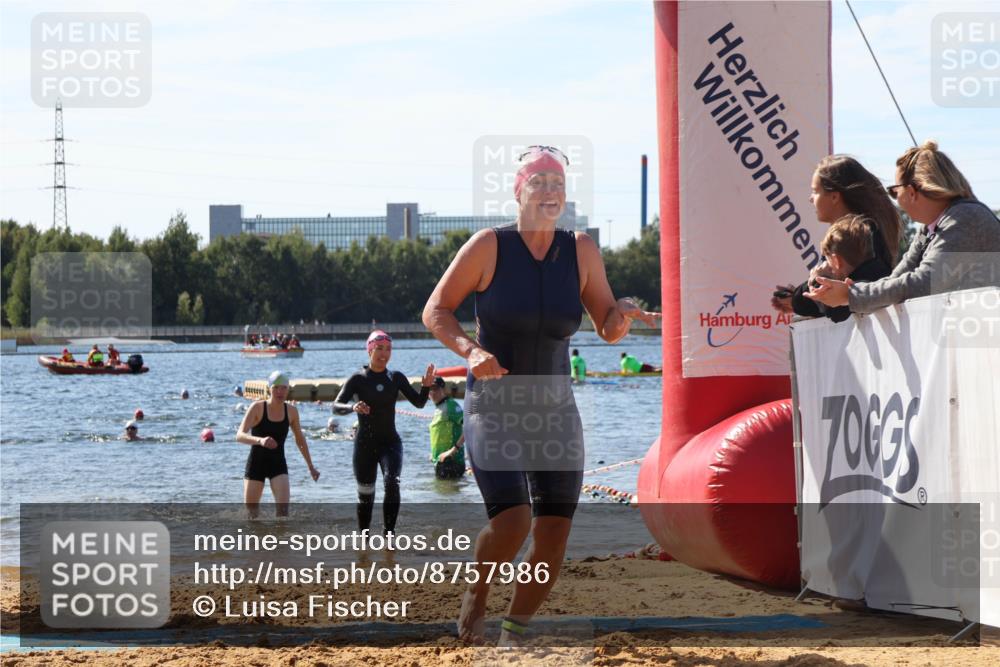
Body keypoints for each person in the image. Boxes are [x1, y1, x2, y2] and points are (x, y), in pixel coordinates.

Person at [421, 145, 660, 646]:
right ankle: (477, 592)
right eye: (539, 181)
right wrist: (469, 350)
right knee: (512, 522)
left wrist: (623, 312)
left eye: (558, 183)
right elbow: (436, 310)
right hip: (495, 405)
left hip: (555, 410)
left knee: (553, 532)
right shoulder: (490, 246)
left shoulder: (581, 250)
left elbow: (606, 328)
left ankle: (513, 633)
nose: (550, 191)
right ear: (518, 190)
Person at [808, 141, 1000, 312]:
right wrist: (851, 293)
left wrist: (850, 295)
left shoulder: (966, 218)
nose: (895, 199)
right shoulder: (931, 227)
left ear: (911, 192)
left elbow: (923, 283)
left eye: (894, 191)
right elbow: (897, 278)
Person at [332, 331, 435, 536]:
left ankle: (389, 536)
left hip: (390, 443)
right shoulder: (358, 379)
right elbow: (336, 406)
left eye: (388, 349)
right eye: (379, 348)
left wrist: (426, 387)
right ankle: (364, 539)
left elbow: (419, 403)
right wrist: (353, 407)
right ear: (369, 350)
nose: (384, 353)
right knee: (366, 495)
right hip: (364, 445)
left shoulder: (395, 377)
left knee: (392, 482)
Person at [772, 155, 902, 315]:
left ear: (834, 196)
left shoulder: (864, 234)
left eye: (815, 191)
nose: (810, 199)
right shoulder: (859, 233)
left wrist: (803, 295)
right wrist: (798, 298)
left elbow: (841, 299)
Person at [236, 370, 320, 517]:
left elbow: (300, 439)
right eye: (276, 388)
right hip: (256, 464)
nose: (280, 392)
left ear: (288, 390)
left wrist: (310, 466)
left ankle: (280, 539)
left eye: (284, 388)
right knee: (251, 515)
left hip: (278, 464)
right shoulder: (257, 407)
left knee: (283, 514)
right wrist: (260, 440)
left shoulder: (292, 411)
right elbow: (240, 435)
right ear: (269, 389)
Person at [791, 215, 891, 322]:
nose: (826, 266)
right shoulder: (882, 272)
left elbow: (835, 310)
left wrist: (817, 280)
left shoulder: (867, 282)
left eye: (828, 261)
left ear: (836, 261)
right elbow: (799, 304)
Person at [429, 377, 465, 480]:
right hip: (441, 462)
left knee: (447, 493)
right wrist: (433, 453)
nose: (432, 392)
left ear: (443, 389)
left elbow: (469, 428)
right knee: (441, 494)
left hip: (452, 462)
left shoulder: (451, 405)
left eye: (435, 388)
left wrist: (453, 450)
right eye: (429, 389)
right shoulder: (438, 408)